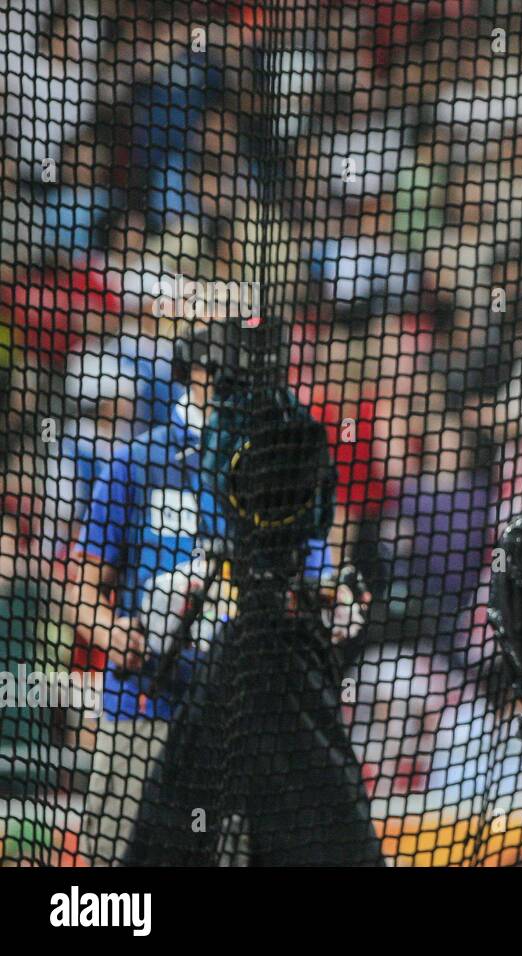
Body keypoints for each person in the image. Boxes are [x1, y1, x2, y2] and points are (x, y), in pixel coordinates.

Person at [67, 318, 337, 864]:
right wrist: (113, 633)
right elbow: (81, 585)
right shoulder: (138, 461)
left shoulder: (278, 467)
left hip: (238, 719)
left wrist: (325, 602)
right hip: (146, 709)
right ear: (197, 375)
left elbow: (319, 583)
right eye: (233, 382)